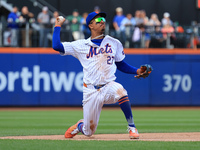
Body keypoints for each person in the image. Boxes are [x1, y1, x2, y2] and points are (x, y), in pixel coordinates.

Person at [52, 11, 152, 139]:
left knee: (121, 91)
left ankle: (132, 127)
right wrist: (57, 25)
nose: (102, 21)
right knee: (89, 132)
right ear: (91, 25)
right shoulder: (81, 45)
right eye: (98, 20)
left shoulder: (113, 42)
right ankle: (80, 125)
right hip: (90, 90)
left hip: (108, 85)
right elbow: (56, 46)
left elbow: (120, 64)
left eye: (103, 19)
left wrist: (137, 71)